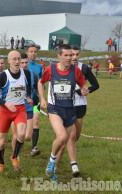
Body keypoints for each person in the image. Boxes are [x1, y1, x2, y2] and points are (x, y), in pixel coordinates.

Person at [38, 44, 89, 182]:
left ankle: (52, 169)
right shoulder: (51, 69)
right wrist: (42, 99)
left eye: (71, 55)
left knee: (63, 143)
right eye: (66, 55)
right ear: (59, 56)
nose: (69, 58)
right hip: (55, 108)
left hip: (70, 110)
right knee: (61, 137)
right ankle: (50, 162)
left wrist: (85, 90)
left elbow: (83, 86)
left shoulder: (76, 71)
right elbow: (40, 82)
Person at [54, 45, 99, 180]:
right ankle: (72, 166)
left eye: (76, 54)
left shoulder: (84, 68)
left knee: (74, 138)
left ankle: (54, 163)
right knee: (70, 136)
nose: (74, 57)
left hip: (81, 106)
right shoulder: (62, 68)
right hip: (67, 106)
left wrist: (85, 91)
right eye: (71, 54)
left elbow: (96, 85)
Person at [0, 51, 32, 173]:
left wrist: (28, 97)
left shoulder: (26, 73)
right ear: (8, 61)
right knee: (2, 142)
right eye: (14, 59)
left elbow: (28, 87)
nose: (17, 62)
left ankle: (14, 157)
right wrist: (6, 103)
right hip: (5, 111)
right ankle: (0, 162)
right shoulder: (3, 76)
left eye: (18, 59)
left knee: (22, 134)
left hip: (20, 109)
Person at [11, 53, 38, 155]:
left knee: (27, 137)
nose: (24, 65)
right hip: (16, 108)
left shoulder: (33, 74)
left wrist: (35, 97)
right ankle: (15, 156)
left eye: (26, 62)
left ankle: (17, 151)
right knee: (16, 135)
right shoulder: (14, 74)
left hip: (28, 108)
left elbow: (36, 88)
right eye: (22, 63)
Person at [27, 44, 42, 156]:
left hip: (36, 99)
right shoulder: (23, 65)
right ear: (27, 53)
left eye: (35, 51)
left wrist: (41, 93)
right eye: (31, 51)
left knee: (35, 121)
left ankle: (34, 147)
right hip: (23, 100)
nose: (33, 53)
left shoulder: (39, 67)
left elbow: (41, 82)